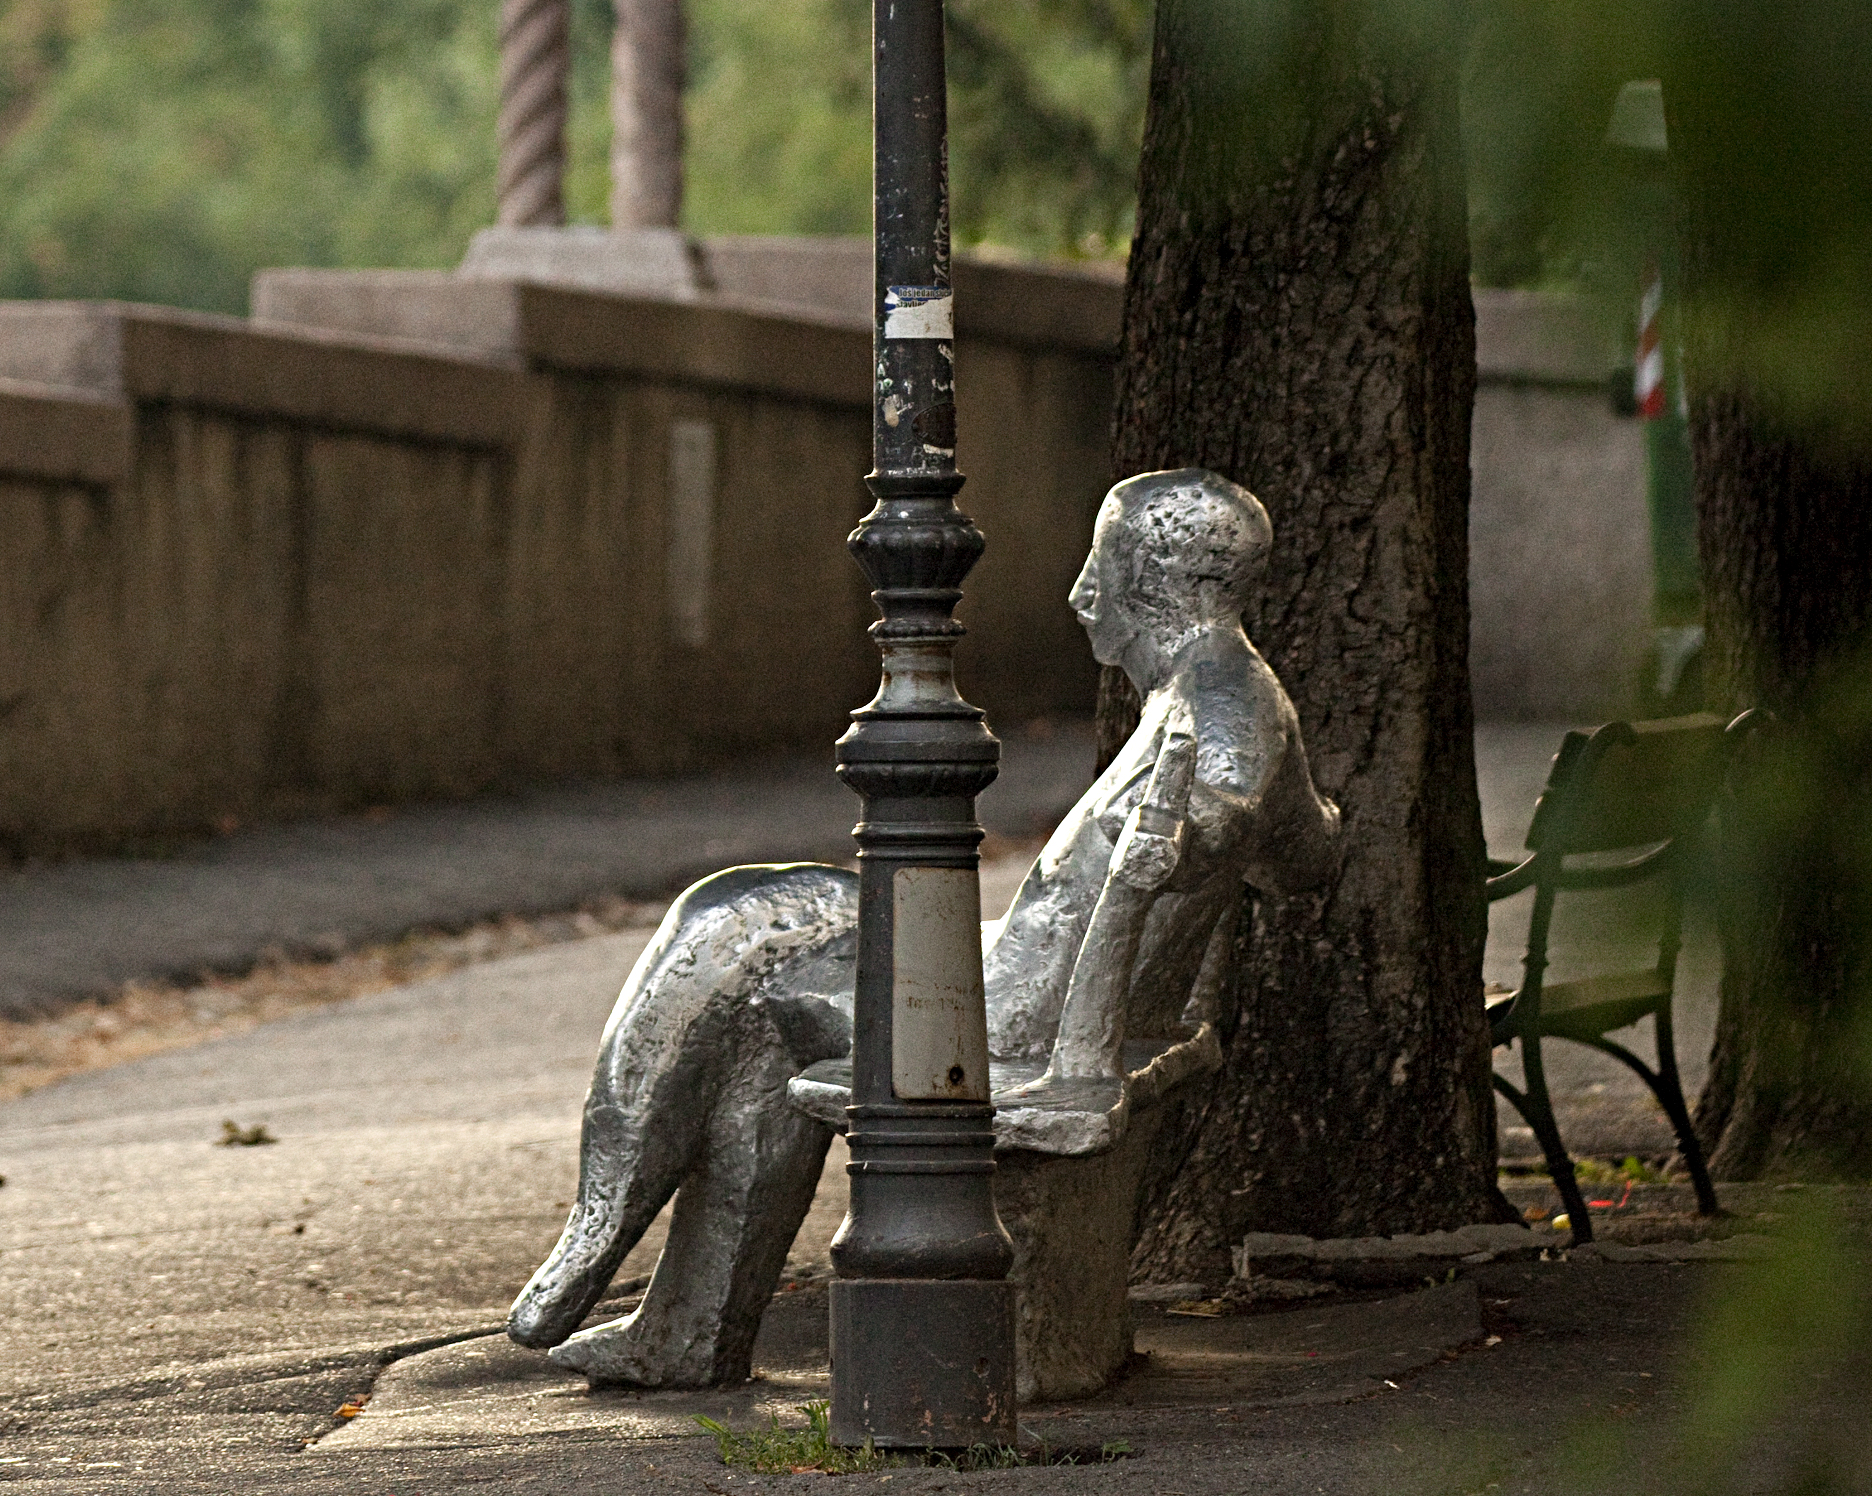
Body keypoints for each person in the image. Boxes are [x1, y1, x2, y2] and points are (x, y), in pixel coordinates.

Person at [505, 469, 1340, 1387]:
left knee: (736, 932)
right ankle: (679, 1325)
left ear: (1141, 577)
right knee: (761, 922)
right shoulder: (1243, 692)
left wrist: (1192, 838)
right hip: (1029, 994)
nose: (1078, 592)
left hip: (1007, 1020)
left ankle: (600, 1234)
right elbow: (1305, 854)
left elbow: (1223, 807)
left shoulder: (1215, 709)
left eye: (1096, 562)